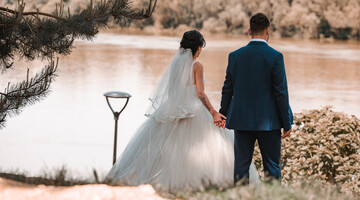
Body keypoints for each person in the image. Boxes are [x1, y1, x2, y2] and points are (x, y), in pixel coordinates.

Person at [105, 30, 258, 193]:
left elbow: (172, 91)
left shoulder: (175, 64)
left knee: (160, 148)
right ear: (198, 48)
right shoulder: (197, 65)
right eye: (201, 47)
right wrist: (213, 112)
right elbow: (200, 93)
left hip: (174, 109)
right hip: (194, 110)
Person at [218, 13, 293, 184]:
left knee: (241, 166)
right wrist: (286, 122)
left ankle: (240, 197)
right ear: (268, 30)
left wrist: (223, 113)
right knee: (272, 167)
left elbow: (227, 88)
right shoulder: (275, 56)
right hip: (269, 122)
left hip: (242, 120)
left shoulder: (235, 56)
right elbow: (281, 93)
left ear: (249, 31)